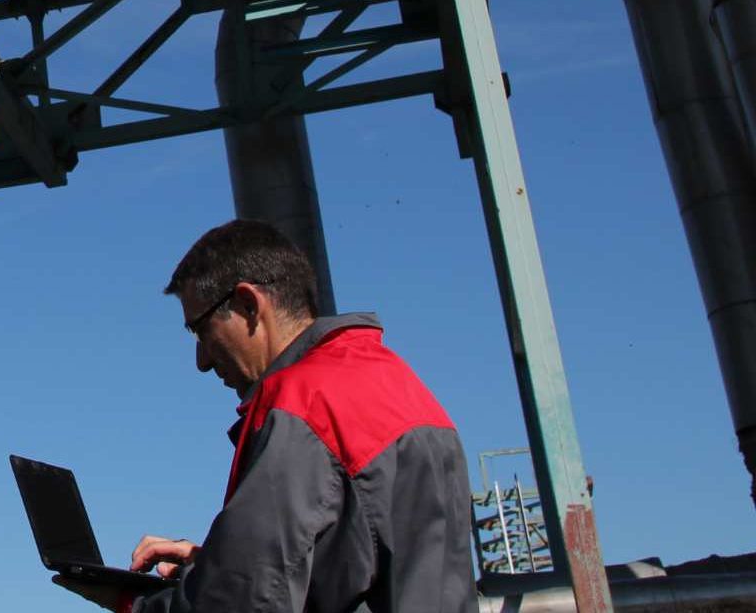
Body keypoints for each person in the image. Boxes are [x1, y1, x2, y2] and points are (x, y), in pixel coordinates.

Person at [65, 220, 476, 613]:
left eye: (200, 331)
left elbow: (241, 604)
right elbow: (368, 565)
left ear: (248, 304)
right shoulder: (397, 383)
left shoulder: (304, 403)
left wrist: (132, 604)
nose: (202, 361)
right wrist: (216, 565)